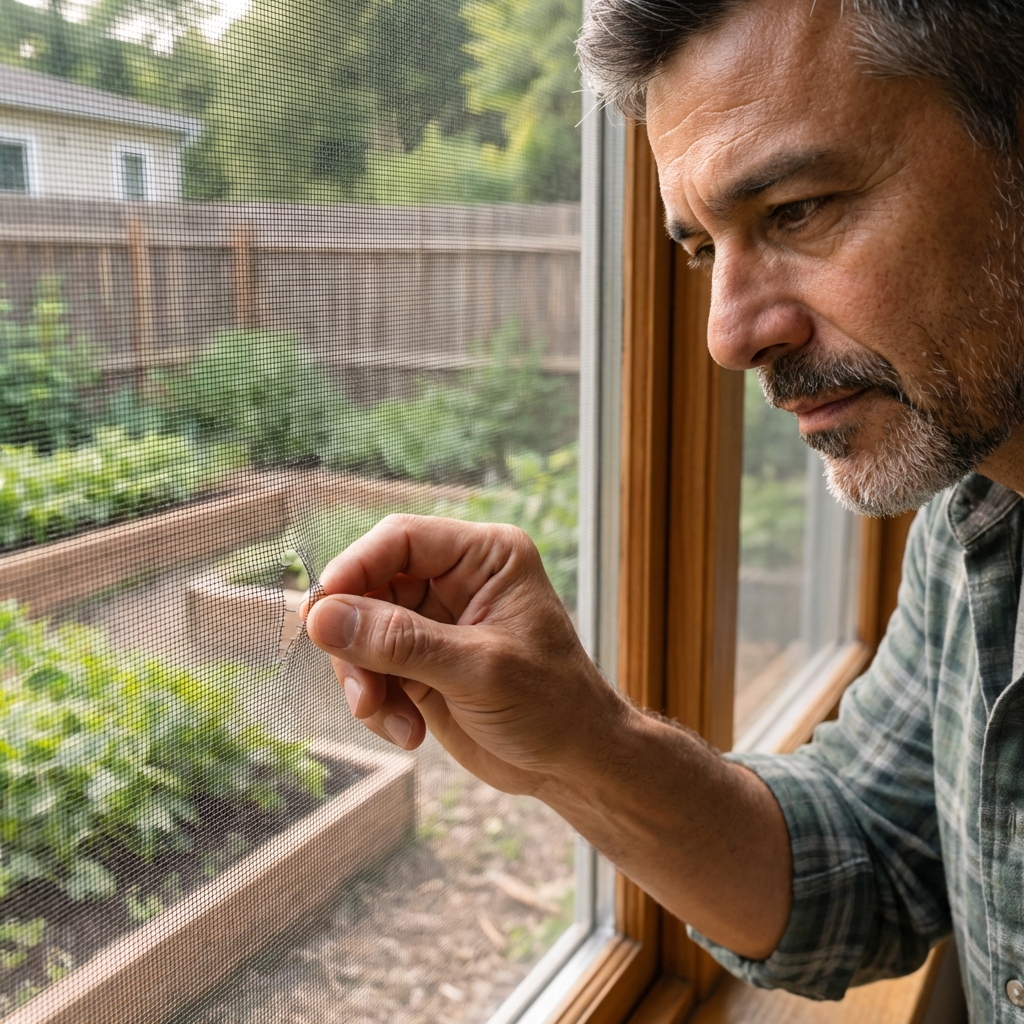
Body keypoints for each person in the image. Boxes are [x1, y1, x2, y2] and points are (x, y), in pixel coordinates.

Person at [303, 1, 1024, 1019]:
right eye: (700, 251)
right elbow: (871, 851)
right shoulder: (973, 522)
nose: (727, 335)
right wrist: (578, 742)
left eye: (797, 209)